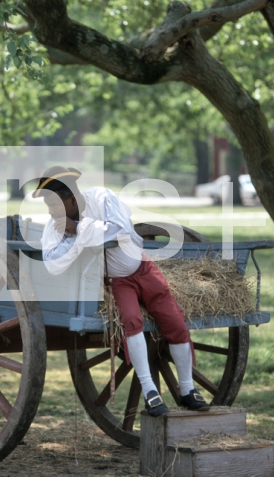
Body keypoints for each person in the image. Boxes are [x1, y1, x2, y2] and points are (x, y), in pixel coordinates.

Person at [33, 166, 210, 416]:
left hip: (143, 267)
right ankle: (150, 391)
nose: (50, 212)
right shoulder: (55, 227)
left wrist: (79, 231)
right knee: (131, 321)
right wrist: (80, 237)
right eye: (48, 206)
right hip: (117, 281)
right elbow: (52, 261)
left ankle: (187, 389)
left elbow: (119, 229)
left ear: (72, 199)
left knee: (174, 320)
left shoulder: (102, 198)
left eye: (54, 205)